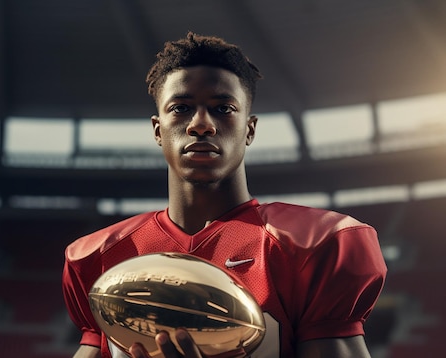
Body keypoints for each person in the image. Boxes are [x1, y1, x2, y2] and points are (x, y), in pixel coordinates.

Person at [62, 32, 387, 358]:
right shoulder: (102, 258)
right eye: (181, 108)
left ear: (250, 129)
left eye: (223, 108)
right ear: (158, 130)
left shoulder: (310, 246)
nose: (201, 124)